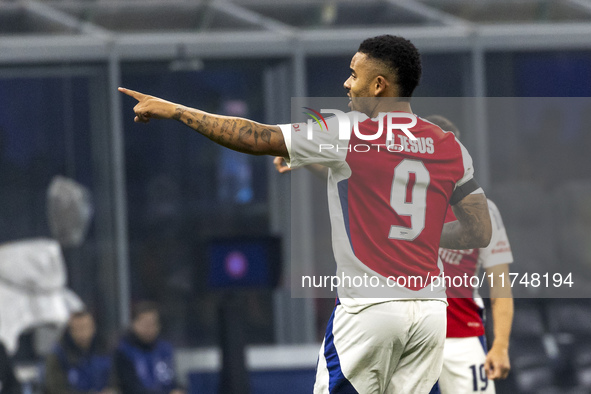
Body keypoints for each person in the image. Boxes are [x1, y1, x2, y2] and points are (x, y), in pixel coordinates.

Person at [119, 34, 492, 393]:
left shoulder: (348, 131)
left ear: (378, 85)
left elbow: (254, 137)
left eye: (353, 74)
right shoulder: (449, 146)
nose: (347, 84)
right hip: (430, 311)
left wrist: (177, 110)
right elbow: (479, 231)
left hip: (370, 309)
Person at [423, 116, 513, 394]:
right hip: (411, 335)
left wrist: (499, 345)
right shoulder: (398, 203)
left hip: (463, 336)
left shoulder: (484, 211)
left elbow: (500, 285)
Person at [114, 302, 185, 394]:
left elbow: (171, 380)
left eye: (153, 324)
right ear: (133, 324)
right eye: (145, 324)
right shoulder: (123, 351)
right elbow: (131, 388)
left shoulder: (165, 349)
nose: (149, 329)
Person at [45, 310, 117, 394]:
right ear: (71, 330)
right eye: (78, 329)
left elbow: (116, 380)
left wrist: (113, 390)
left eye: (86, 327)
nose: (83, 333)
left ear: (93, 327)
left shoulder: (105, 348)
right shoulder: (58, 355)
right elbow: (56, 389)